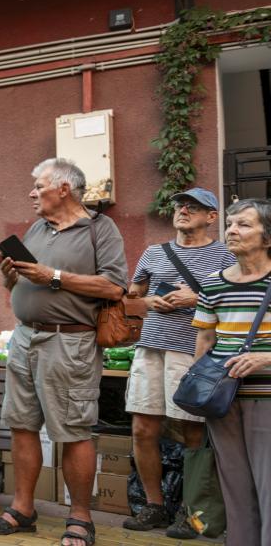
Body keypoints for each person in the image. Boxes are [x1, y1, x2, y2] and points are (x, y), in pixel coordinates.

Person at [0, 158, 127, 546]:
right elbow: (15, 284)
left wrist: (56, 277)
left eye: (39, 186)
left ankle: (81, 517)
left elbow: (116, 287)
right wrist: (8, 272)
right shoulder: (36, 227)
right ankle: (23, 508)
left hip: (70, 342)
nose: (32, 193)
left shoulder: (100, 228)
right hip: (24, 339)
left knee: (75, 430)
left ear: (64, 189)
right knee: (22, 425)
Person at [123, 187, 233, 538]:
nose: (183, 210)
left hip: (194, 352)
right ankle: (154, 506)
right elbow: (132, 295)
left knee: (193, 432)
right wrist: (151, 301)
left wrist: (196, 298)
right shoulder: (154, 253)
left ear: (211, 217)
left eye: (193, 207)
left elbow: (239, 298)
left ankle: (193, 512)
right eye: (180, 205)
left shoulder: (225, 255)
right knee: (143, 428)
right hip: (150, 348)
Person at [191, 198, 271, 545]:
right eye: (230, 224)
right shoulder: (213, 283)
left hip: (266, 396)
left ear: (267, 237)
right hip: (223, 398)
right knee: (235, 487)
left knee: (269, 487)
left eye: (244, 224)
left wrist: (264, 359)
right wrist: (198, 391)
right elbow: (205, 338)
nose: (232, 231)